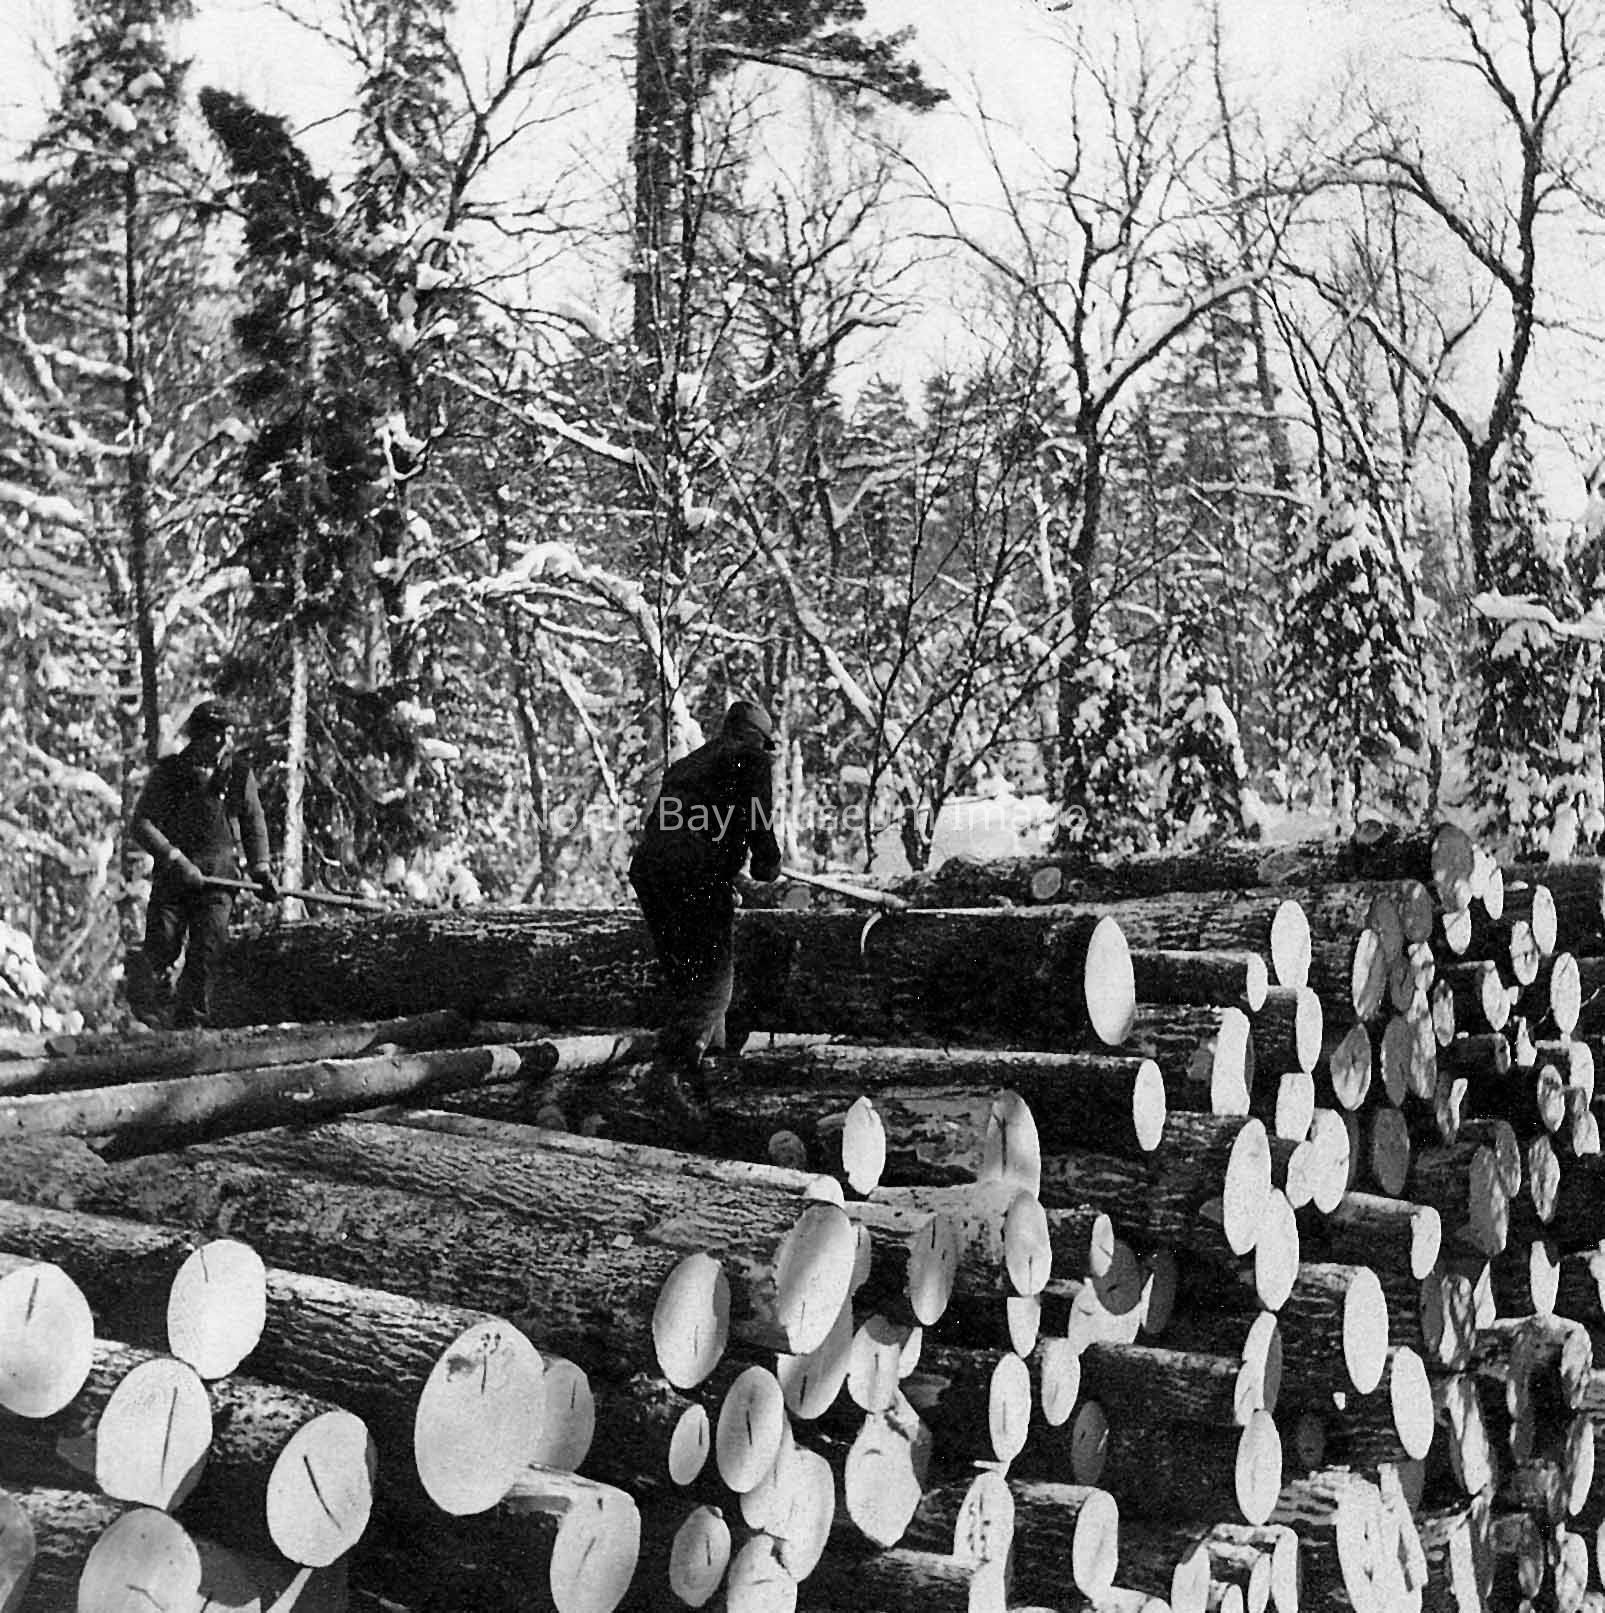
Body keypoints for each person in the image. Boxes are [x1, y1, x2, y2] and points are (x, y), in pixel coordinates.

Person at [630, 700, 783, 1132]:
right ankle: (669, 1072)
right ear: (756, 737)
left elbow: (669, 828)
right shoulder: (750, 759)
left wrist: (724, 867)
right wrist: (767, 861)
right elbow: (756, 819)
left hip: (651, 874)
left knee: (687, 979)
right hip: (693, 875)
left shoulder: (686, 766)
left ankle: (702, 1082)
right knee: (716, 984)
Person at [127, 699, 278, 1028]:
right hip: (174, 878)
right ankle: (151, 1007)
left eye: (229, 734)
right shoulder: (170, 774)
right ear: (197, 736)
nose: (223, 742)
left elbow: (254, 825)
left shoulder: (239, 775)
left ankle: (190, 1025)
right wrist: (175, 859)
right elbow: (141, 824)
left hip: (220, 880)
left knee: (207, 951)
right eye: (215, 734)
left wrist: (261, 869)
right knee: (162, 944)